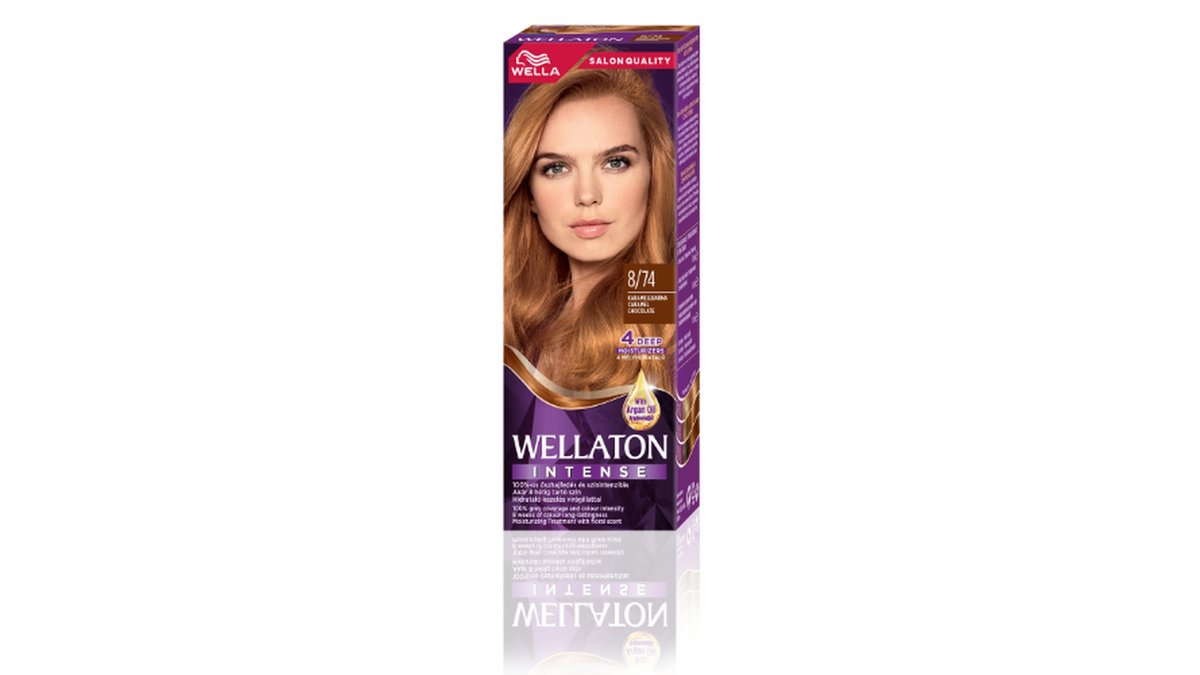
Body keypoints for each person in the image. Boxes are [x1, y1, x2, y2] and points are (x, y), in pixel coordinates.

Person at [504, 63, 676, 394]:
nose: (586, 195)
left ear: (654, 174)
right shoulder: (523, 327)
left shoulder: (671, 334)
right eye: (557, 168)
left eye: (615, 162)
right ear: (529, 193)